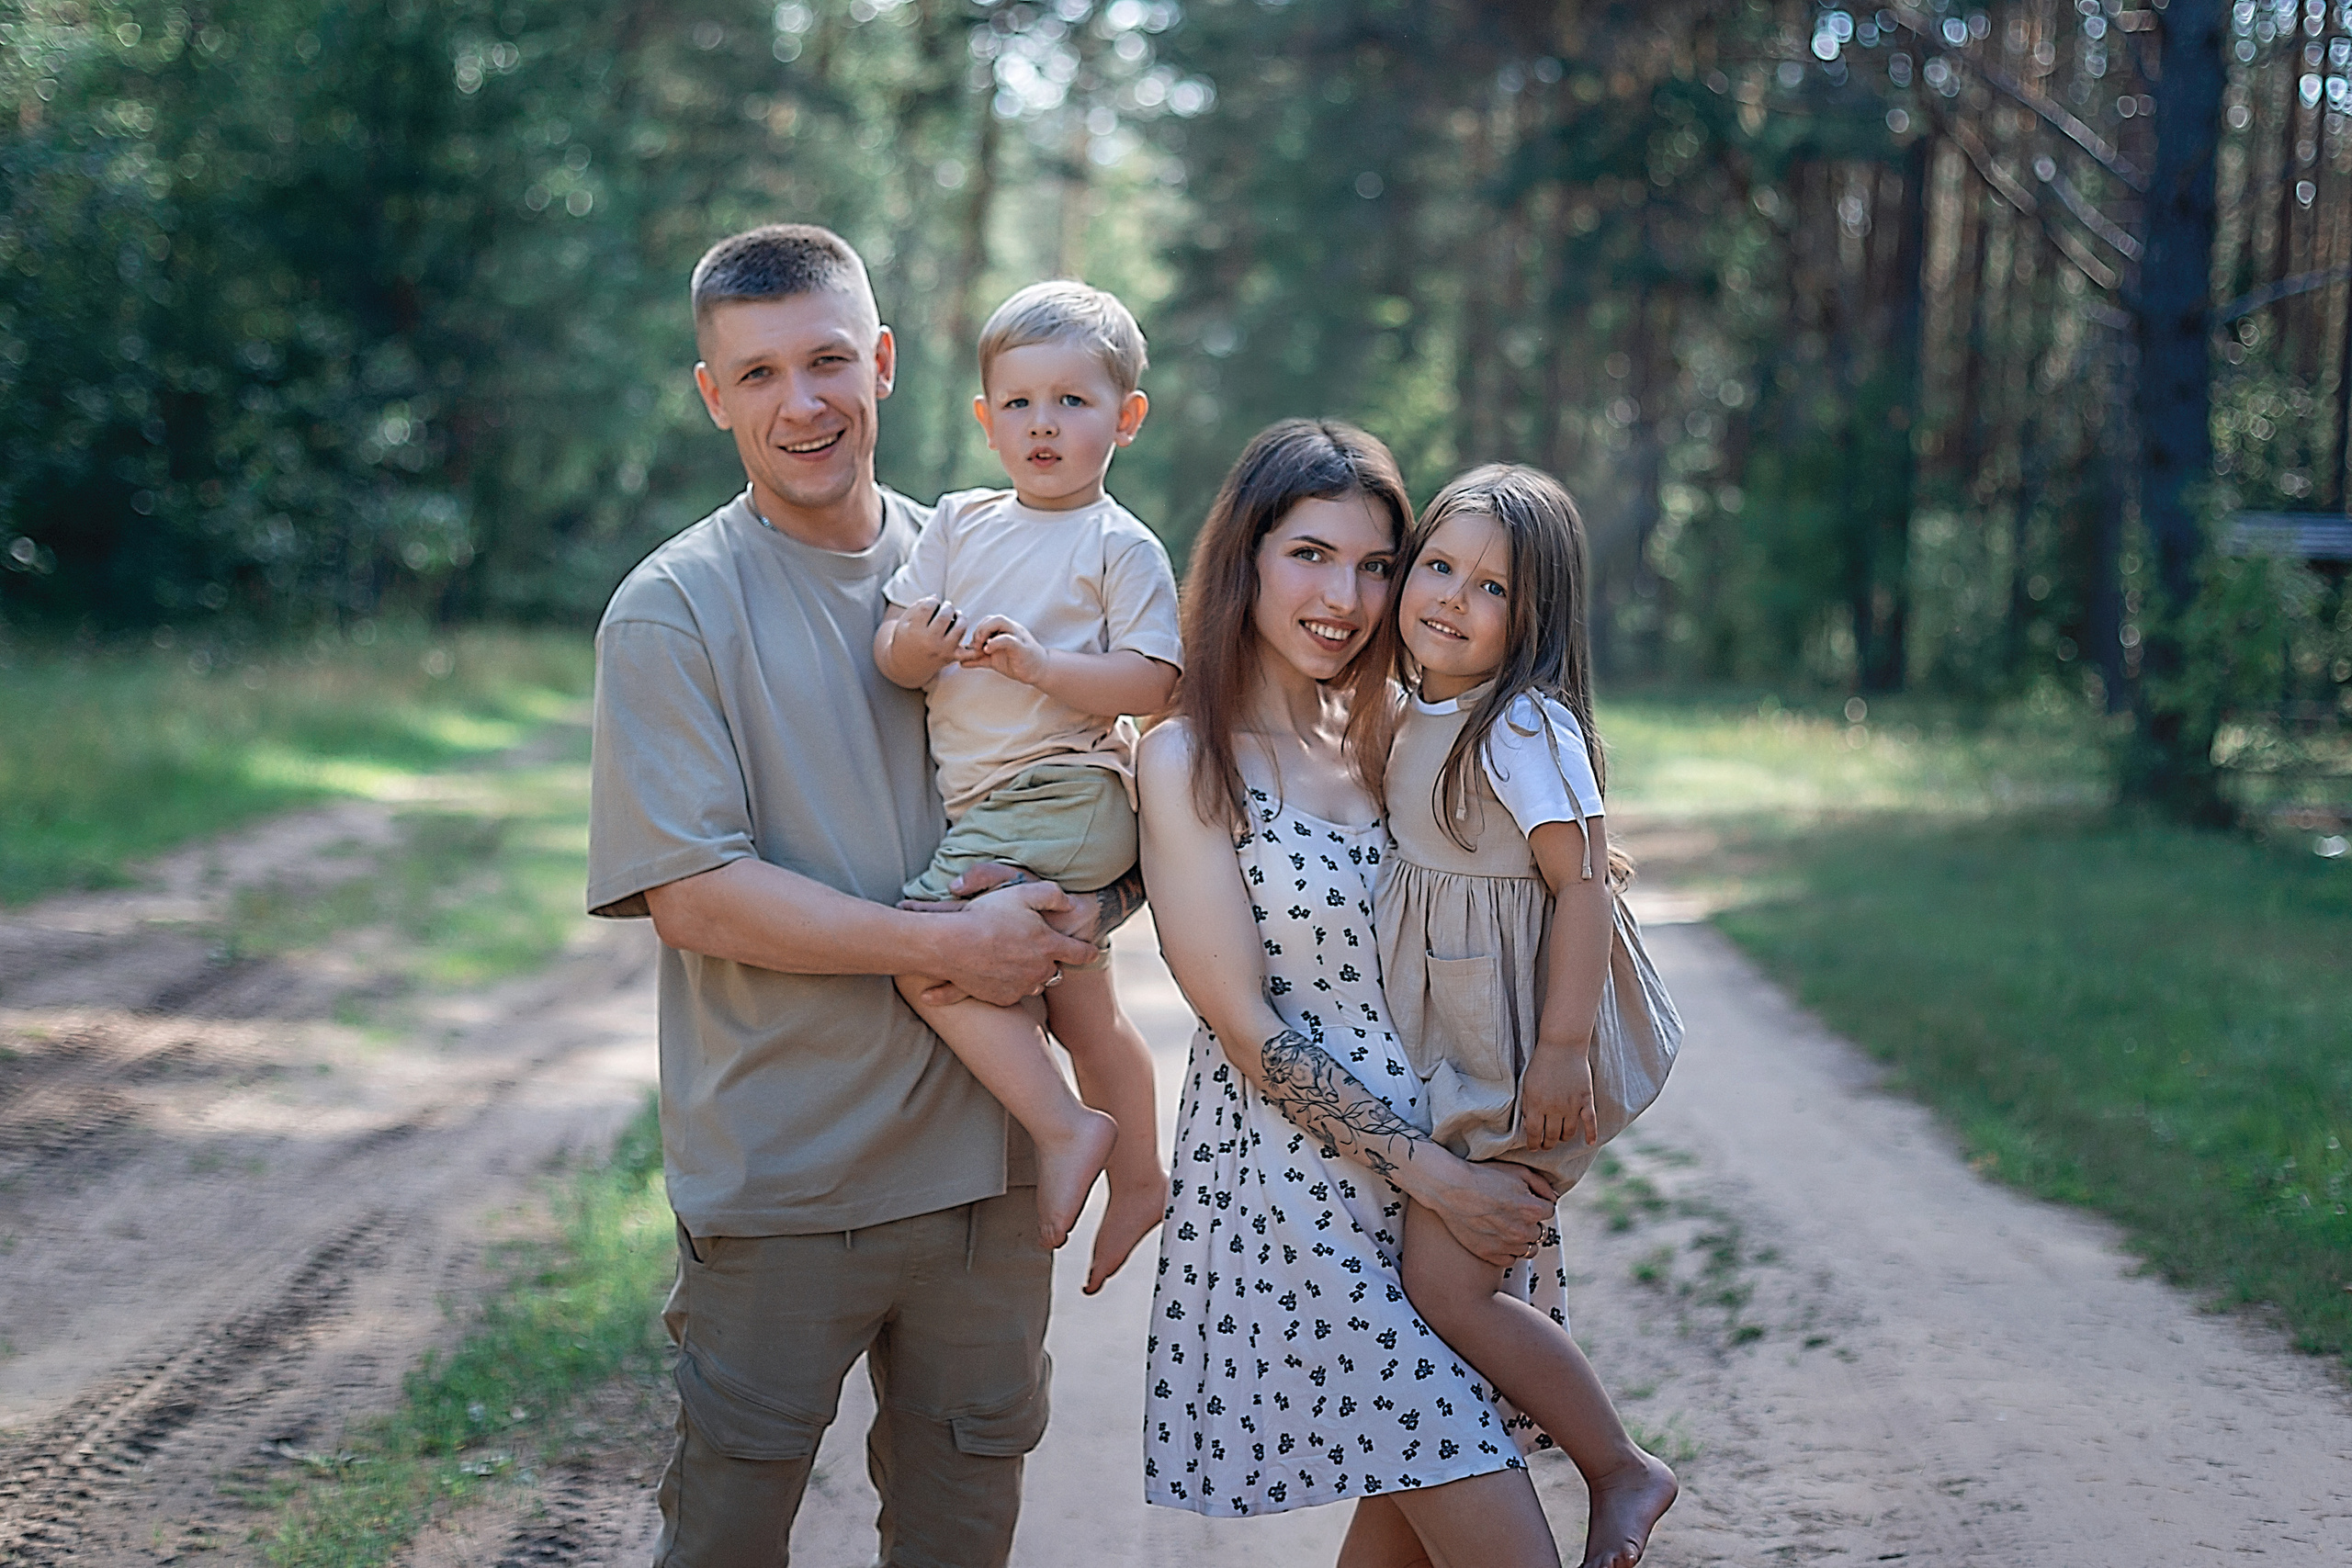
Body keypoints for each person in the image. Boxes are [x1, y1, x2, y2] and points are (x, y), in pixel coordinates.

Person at [586, 222, 1115, 1568]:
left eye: (827, 359)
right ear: (715, 395)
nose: (802, 402)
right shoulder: (673, 610)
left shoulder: (997, 558)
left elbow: (1088, 787)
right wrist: (951, 937)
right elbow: (696, 894)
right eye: (757, 374)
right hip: (785, 1181)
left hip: (987, 1174)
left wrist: (1073, 911)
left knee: (960, 1537)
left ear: (881, 361)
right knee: (724, 1539)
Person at [1136, 419, 1572, 1565]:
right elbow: (1244, 1022)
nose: (1347, 595)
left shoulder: (1399, 735)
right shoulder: (1187, 758)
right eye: (1310, 555)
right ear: (1247, 558)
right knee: (1491, 1528)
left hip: (1443, 1188)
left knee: (1406, 1541)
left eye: (1378, 564)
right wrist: (1441, 1181)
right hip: (1300, 1204)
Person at [1378, 464, 1678, 1568]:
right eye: (1438, 567)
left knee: (1442, 1287)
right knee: (1424, 1340)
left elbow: (1585, 890)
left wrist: (1559, 1055)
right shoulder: (1414, 707)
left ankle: (1619, 1467)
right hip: (1459, 1052)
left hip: (1521, 1055)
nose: (1451, 598)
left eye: (1490, 587)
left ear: (1535, 615)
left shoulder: (1518, 729)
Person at [874, 279, 1178, 1292]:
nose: (1042, 425)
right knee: (1087, 1011)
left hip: (1062, 792)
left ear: (1125, 417)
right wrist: (915, 647)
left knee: (928, 954)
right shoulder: (959, 524)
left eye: (1072, 402)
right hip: (1016, 807)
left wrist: (1043, 667)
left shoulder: (1117, 544)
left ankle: (1062, 1126)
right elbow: (894, 651)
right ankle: (1138, 1175)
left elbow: (1152, 681)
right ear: (985, 420)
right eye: (1019, 404)